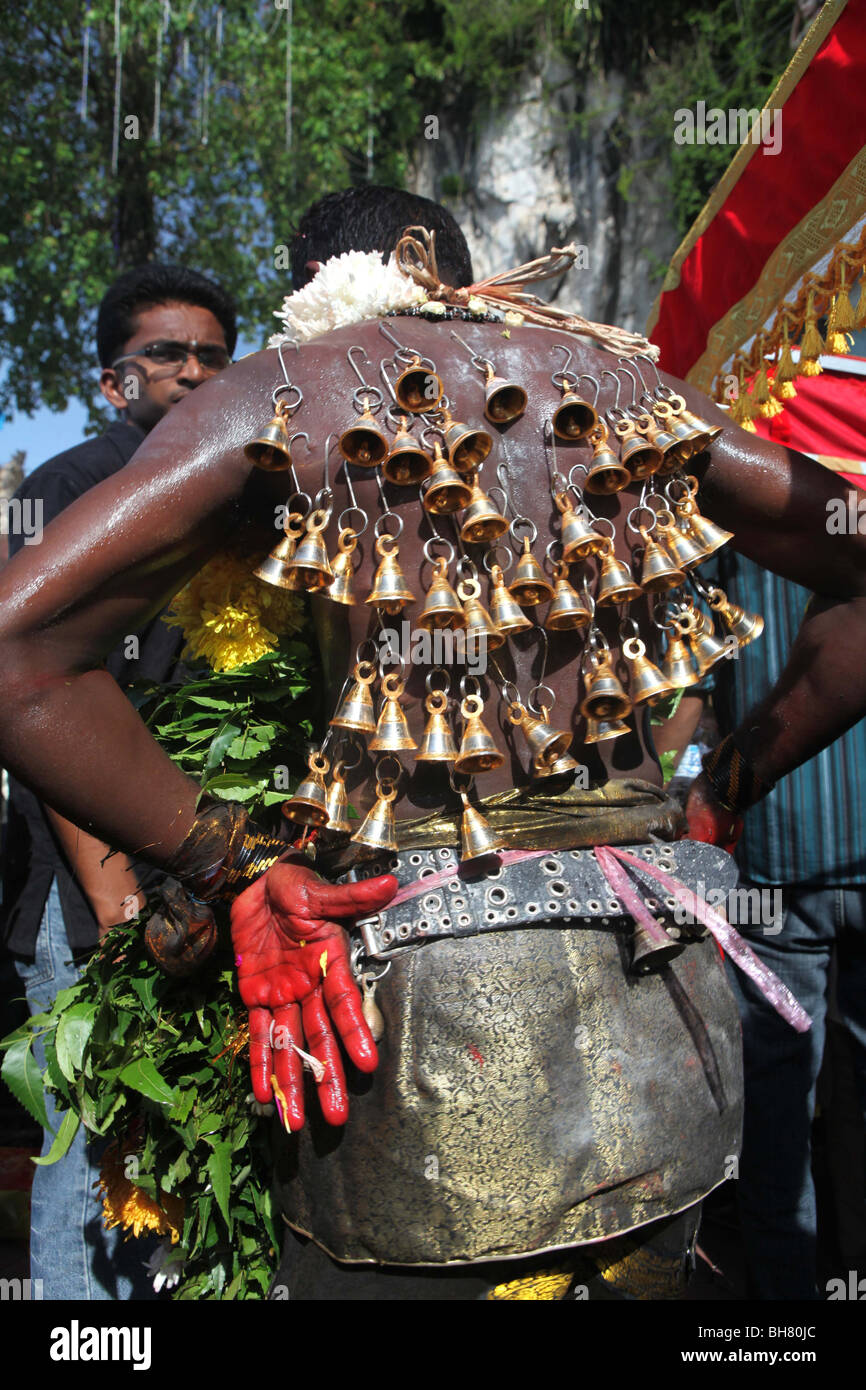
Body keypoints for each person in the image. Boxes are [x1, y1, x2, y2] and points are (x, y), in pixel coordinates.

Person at [0, 186, 864, 1300]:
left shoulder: (292, 393)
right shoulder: (623, 390)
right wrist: (725, 788)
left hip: (400, 1015)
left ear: (308, 292)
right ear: (469, 272)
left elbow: (20, 656)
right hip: (660, 1010)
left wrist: (235, 858)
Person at [0, 261, 236, 1299]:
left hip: (203, 872)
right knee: (94, 1162)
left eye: (213, 357)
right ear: (110, 381)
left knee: (179, 1160)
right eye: (166, 353)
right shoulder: (70, 485)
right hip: (98, 887)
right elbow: (42, 691)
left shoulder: (226, 496)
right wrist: (107, 884)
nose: (192, 372)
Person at [711, 550, 866, 1299]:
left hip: (773, 850)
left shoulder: (733, 529)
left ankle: (786, 1313)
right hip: (786, 857)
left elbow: (686, 684)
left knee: (774, 1106)